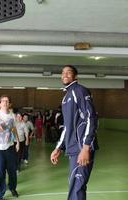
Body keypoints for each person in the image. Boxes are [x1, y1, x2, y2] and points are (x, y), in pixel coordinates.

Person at [50, 65, 99, 200]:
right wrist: (58, 147)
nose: (65, 75)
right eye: (63, 73)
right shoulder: (66, 97)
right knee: (75, 185)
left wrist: (85, 147)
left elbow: (91, 117)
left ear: (75, 76)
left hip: (82, 147)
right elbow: (67, 126)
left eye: (69, 72)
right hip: (73, 148)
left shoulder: (79, 91)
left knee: (77, 187)